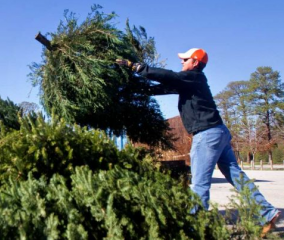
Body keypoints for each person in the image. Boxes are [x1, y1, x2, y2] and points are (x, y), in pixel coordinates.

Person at [116, 48, 280, 236]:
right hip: (219, 132)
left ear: (195, 62)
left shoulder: (193, 77)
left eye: (185, 59)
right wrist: (135, 88)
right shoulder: (190, 82)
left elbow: (169, 77)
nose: (181, 62)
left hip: (207, 135)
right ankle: (268, 213)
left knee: (200, 183)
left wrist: (136, 67)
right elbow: (164, 87)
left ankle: (195, 229)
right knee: (237, 176)